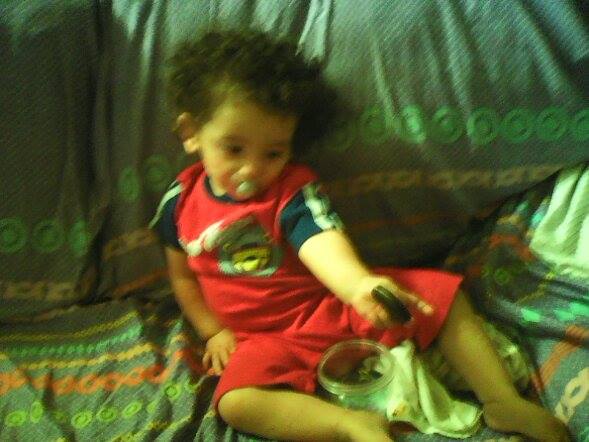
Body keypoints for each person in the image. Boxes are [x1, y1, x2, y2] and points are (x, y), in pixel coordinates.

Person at [151, 29, 570, 442]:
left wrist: (357, 286)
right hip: (263, 341)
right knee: (235, 402)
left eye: (273, 153)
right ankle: (348, 425)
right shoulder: (179, 203)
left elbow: (320, 240)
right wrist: (213, 331)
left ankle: (501, 400)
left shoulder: (292, 190)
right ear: (190, 133)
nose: (252, 170)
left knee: (441, 297)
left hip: (333, 306)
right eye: (234, 149)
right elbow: (183, 277)